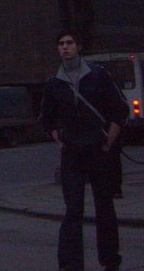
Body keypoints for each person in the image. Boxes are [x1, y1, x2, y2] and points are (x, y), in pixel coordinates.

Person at [41, 31, 128, 271]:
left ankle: (110, 260)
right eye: (61, 44)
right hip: (72, 152)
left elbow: (120, 110)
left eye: (69, 43)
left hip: (98, 149)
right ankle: (70, 265)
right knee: (73, 210)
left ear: (78, 46)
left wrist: (108, 140)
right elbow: (46, 119)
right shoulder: (54, 83)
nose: (65, 48)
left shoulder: (98, 75)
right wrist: (60, 138)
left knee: (104, 206)